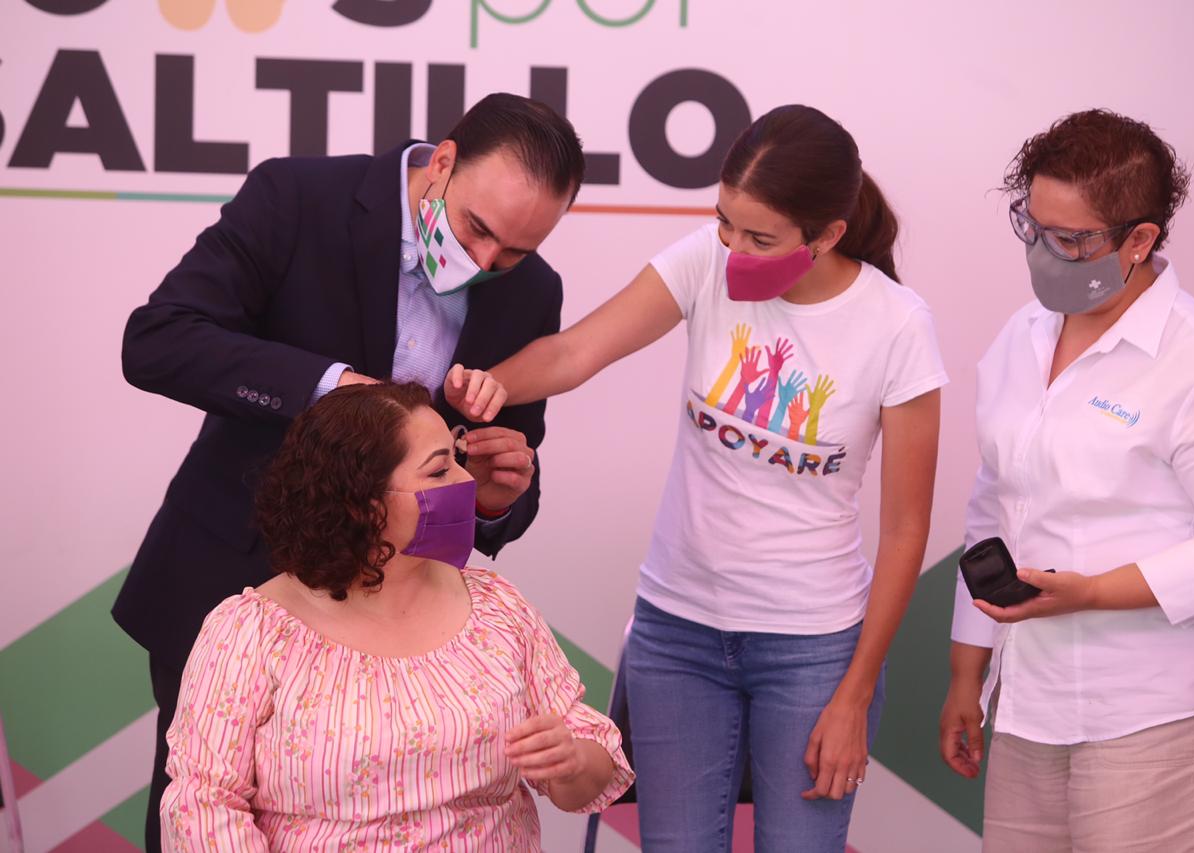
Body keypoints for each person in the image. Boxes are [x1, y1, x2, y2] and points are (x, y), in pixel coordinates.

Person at [113, 92, 581, 851]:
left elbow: (507, 466)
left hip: (410, 630)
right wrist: (330, 387)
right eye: (476, 228)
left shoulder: (533, 292)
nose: (485, 261)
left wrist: (495, 500)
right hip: (234, 577)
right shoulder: (298, 198)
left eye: (514, 252)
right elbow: (159, 339)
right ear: (442, 163)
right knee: (205, 814)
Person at [480, 105, 947, 852]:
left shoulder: (897, 324)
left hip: (813, 648)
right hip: (676, 633)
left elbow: (905, 529)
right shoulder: (705, 259)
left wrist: (855, 694)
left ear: (827, 234)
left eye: (760, 238)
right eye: (725, 221)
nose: (733, 247)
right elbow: (573, 354)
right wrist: (467, 394)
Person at [939, 109, 1194, 853]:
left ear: (1140, 240)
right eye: (1032, 227)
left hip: (1158, 710)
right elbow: (995, 504)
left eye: (1071, 240)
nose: (1044, 253)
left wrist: (1094, 591)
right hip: (1029, 703)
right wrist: (968, 670)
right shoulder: (1022, 335)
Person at [160, 381, 634, 851]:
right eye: (439, 471)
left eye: (457, 459)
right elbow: (203, 806)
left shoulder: (498, 608)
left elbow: (588, 773)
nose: (467, 482)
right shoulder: (251, 633)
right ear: (363, 505)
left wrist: (572, 763)